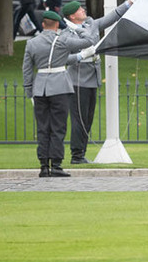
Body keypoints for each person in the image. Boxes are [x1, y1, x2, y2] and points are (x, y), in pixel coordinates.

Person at [22, 10, 95, 177]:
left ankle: (43, 166)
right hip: (60, 87)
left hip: (40, 88)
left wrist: (29, 91)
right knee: (58, 127)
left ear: (42, 25)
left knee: (43, 128)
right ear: (56, 25)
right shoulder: (62, 41)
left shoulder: (32, 43)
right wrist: (77, 29)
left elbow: (27, 70)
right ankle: (55, 164)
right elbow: (89, 40)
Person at [62, 0, 133, 164]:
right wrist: (80, 56)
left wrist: (130, 2)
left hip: (92, 79)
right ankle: (77, 155)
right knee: (79, 120)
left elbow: (112, 16)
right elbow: (64, 58)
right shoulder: (66, 35)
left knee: (88, 119)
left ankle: (81, 153)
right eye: (80, 10)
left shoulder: (91, 24)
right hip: (77, 81)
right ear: (72, 16)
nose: (83, 11)